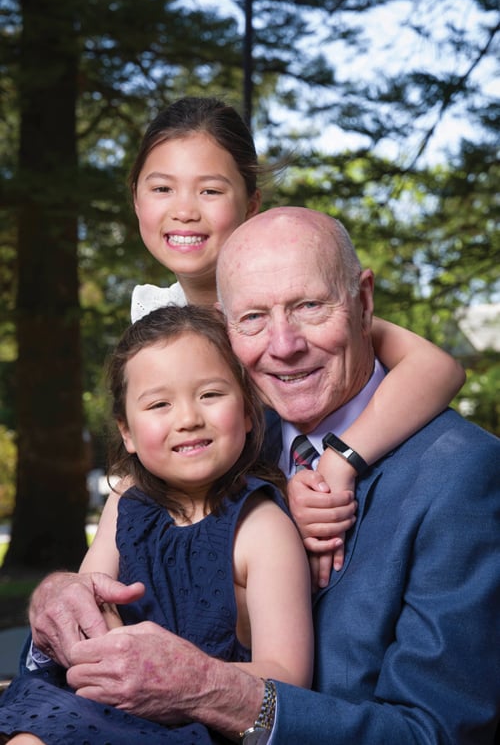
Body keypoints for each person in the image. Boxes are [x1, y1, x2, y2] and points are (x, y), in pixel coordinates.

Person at [26, 208, 500, 743]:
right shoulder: (223, 440)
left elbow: (435, 732)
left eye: (310, 306)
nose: (284, 344)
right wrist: (58, 596)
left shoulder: (460, 475)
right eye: (252, 317)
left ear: (364, 302)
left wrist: (210, 689)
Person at [126, 96, 465, 579]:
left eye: (210, 191)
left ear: (252, 204)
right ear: (135, 197)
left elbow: (439, 368)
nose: (184, 211)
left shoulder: (295, 297)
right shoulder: (154, 317)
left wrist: (341, 461)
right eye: (162, 188)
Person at [0, 304, 313, 743]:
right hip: (99, 699)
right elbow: (90, 599)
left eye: (210, 394)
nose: (187, 419)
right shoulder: (127, 502)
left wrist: (180, 677)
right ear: (126, 432)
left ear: (247, 411)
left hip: (191, 724)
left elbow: (288, 679)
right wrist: (102, 646)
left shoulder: (261, 529)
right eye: (159, 403)